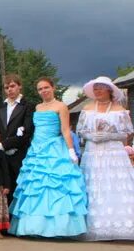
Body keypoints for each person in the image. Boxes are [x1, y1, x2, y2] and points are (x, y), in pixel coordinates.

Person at [9, 77, 87, 238]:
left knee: (55, 187)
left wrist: (71, 150)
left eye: (46, 88)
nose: (43, 91)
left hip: (54, 148)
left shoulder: (61, 106)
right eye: (40, 89)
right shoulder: (37, 107)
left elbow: (65, 130)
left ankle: (58, 228)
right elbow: (32, 128)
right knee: (34, 189)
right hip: (36, 149)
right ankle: (33, 227)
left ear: (53, 87)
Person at [76, 76, 133, 241]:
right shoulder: (87, 108)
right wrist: (92, 136)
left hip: (113, 153)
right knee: (94, 185)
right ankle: (93, 226)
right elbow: (81, 131)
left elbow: (126, 133)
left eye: (101, 88)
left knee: (114, 186)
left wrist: (109, 135)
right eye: (95, 88)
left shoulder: (119, 110)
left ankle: (117, 225)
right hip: (93, 152)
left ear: (109, 90)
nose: (97, 91)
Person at [0, 73, 34, 199]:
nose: (9, 89)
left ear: (19, 86)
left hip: (19, 154)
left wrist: (5, 145)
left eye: (12, 86)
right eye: (6, 87)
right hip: (1, 154)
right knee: (5, 189)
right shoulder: (0, 107)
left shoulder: (28, 106)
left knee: (20, 188)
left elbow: (27, 131)